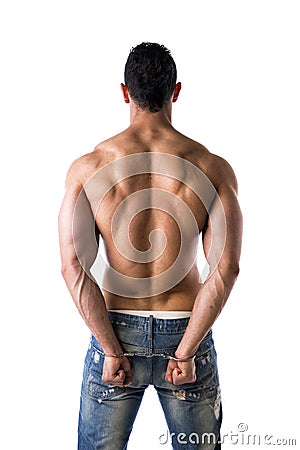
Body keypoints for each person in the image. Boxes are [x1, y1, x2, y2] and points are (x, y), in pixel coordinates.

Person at [58, 42, 243, 450]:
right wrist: (186, 352)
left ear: (125, 92)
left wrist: (109, 348)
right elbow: (226, 269)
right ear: (175, 91)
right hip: (186, 331)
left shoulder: (89, 168)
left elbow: (73, 267)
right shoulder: (212, 168)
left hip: (115, 330)